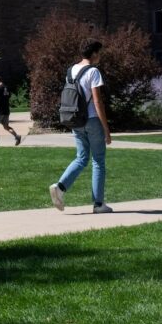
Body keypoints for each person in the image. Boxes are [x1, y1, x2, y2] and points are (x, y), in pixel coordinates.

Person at [49, 39, 113, 213]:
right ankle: (98, 204)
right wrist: (106, 129)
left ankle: (60, 187)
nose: (100, 56)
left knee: (81, 158)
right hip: (92, 120)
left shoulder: (71, 70)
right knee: (98, 161)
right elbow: (98, 101)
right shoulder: (94, 72)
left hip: (76, 120)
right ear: (93, 54)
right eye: (99, 53)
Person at [0, 75, 21, 146]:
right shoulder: (6, 88)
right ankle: (17, 136)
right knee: (6, 127)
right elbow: (7, 96)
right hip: (6, 110)